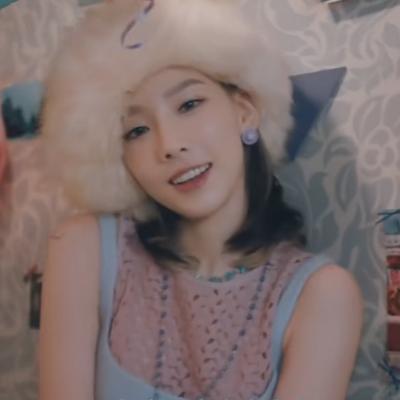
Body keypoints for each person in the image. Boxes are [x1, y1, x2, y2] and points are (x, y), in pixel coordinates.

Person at [38, 1, 364, 400]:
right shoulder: (82, 247)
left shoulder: (321, 294)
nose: (169, 144)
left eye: (189, 105)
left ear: (244, 111)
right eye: (136, 130)